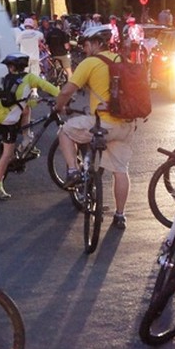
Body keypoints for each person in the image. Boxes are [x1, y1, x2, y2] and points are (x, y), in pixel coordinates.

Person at [53, 24, 141, 228]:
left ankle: (74, 171)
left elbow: (67, 91)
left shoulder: (90, 62)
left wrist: (59, 106)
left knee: (65, 131)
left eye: (86, 44)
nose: (84, 48)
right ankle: (120, 215)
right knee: (120, 170)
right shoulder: (122, 60)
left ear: (96, 44)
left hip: (102, 124)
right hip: (126, 124)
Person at [0, 53, 59, 200]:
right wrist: (64, 94)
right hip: (7, 118)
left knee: (27, 109)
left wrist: (35, 101)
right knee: (7, 153)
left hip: (4, 111)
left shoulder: (9, 78)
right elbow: (47, 86)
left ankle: (27, 141)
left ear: (13, 67)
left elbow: (21, 100)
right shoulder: (29, 78)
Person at [46, 17, 72, 84]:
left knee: (53, 67)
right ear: (61, 25)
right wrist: (69, 49)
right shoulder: (63, 33)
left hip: (53, 55)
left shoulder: (49, 34)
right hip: (62, 54)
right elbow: (66, 46)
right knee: (68, 70)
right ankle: (70, 86)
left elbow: (47, 45)